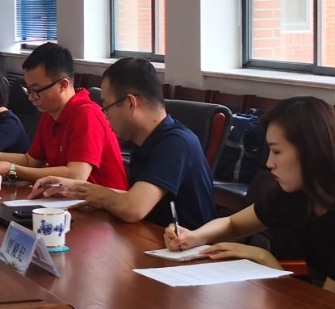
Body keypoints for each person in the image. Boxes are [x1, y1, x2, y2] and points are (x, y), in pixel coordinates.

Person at [166, 96, 335, 309]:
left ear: (310, 152)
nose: (269, 163)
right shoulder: (296, 195)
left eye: (276, 151)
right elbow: (233, 224)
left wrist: (264, 259)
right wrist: (194, 237)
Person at [29, 58, 214, 227]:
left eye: (106, 106)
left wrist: (99, 195)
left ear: (130, 103)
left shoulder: (175, 143)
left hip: (189, 248)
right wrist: (76, 189)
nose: (105, 115)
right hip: (155, 237)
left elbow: (133, 208)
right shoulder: (146, 142)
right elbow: (136, 197)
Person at [0, 43, 128, 190]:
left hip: (103, 203)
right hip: (68, 198)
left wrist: (13, 170)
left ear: (63, 85)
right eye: (28, 90)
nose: (30, 97)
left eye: (36, 90)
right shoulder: (49, 114)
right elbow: (31, 161)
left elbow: (76, 175)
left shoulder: (87, 115)